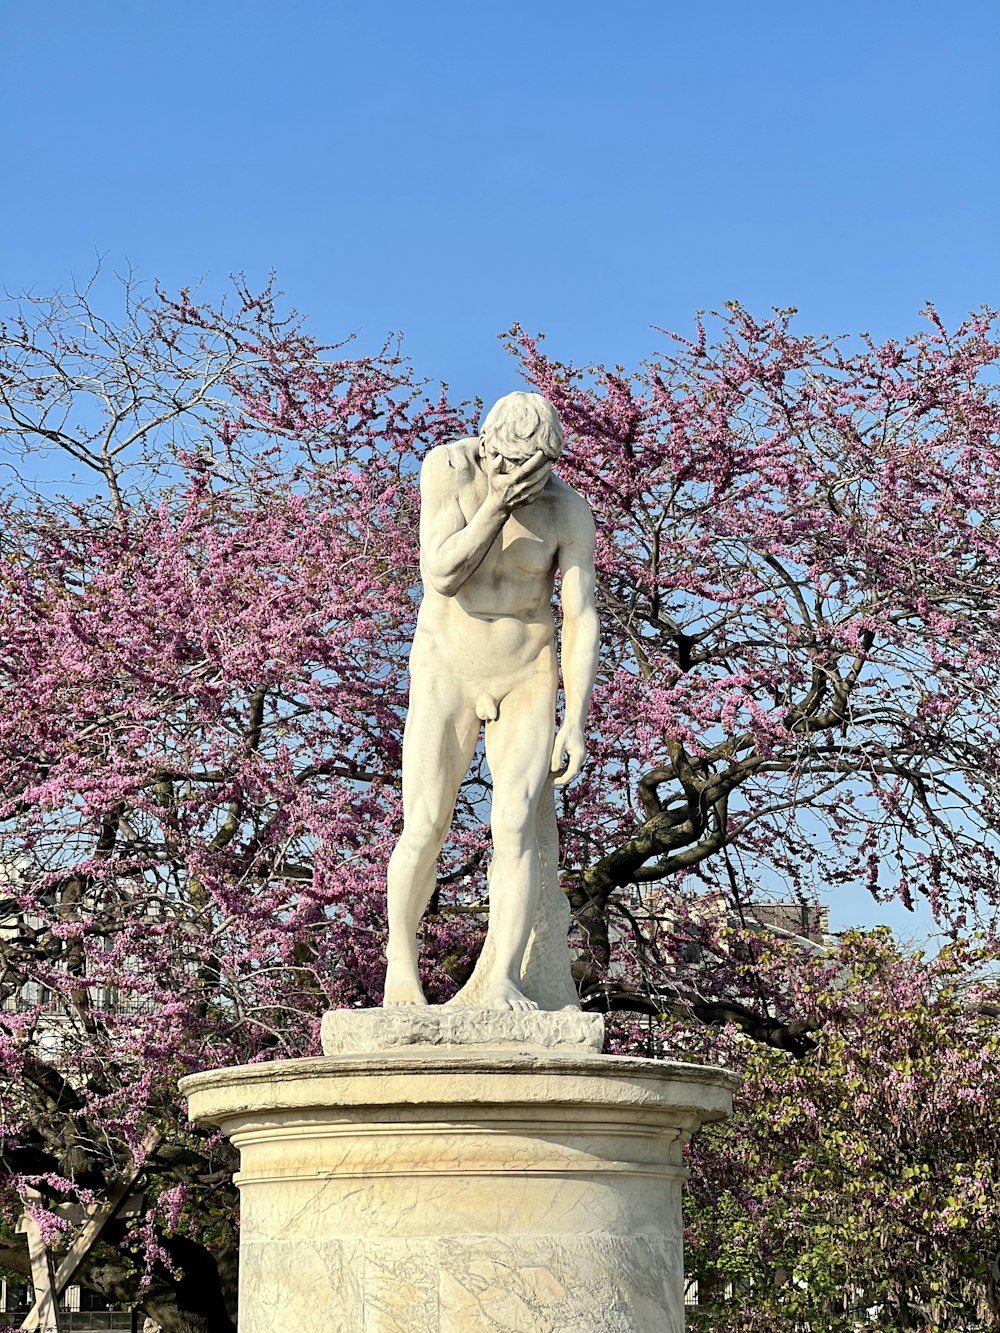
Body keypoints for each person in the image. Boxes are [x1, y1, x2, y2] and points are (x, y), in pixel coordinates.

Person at [383, 392, 599, 1010]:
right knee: (425, 824)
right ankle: (402, 965)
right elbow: (442, 574)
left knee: (514, 828)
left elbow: (581, 616)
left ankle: (501, 975)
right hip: (446, 666)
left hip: (527, 670)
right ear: (487, 448)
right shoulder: (448, 470)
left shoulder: (566, 511)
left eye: (535, 470)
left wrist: (575, 720)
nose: (521, 481)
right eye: (508, 465)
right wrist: (493, 509)